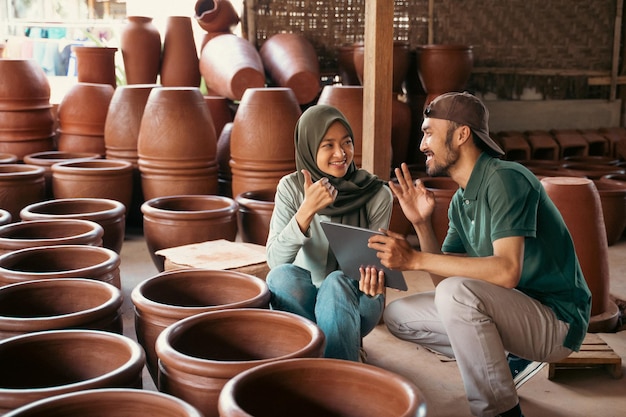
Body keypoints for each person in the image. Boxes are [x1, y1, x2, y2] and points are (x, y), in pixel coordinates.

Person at [366, 92, 592, 417]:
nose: (421, 145)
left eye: (429, 132)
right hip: (512, 310)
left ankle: (499, 410)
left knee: (457, 294)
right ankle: (509, 361)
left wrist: (414, 259)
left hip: (556, 321)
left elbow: (506, 272)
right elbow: (444, 281)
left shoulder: (505, 179)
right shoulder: (461, 200)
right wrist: (421, 224)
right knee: (400, 316)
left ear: (461, 134)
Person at [265, 104, 393, 362]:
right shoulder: (291, 188)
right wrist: (306, 211)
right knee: (280, 277)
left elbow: (376, 262)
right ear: (310, 147)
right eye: (328, 145)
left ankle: (337, 373)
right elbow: (275, 261)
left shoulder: (376, 193)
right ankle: (331, 351)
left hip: (359, 300)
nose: (341, 153)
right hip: (306, 299)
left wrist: (374, 280)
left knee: (336, 283)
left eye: (346, 143)